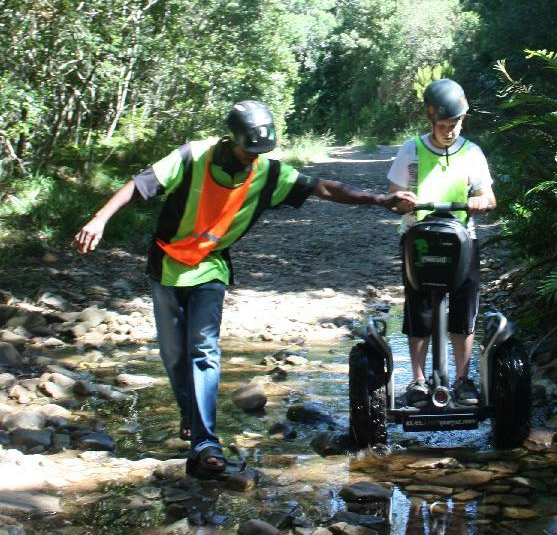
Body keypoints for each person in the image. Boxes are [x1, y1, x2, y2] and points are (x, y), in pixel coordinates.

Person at [72, 100, 415, 480]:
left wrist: (380, 199)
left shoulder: (267, 174)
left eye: (260, 153)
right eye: (247, 151)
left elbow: (324, 188)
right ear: (231, 138)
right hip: (166, 265)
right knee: (173, 354)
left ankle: (205, 443)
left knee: (204, 349)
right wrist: (100, 219)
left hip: (212, 268)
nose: (253, 159)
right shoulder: (192, 157)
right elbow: (139, 185)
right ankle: (191, 416)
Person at [387, 78, 496, 407]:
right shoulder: (411, 149)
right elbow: (393, 194)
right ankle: (418, 382)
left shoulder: (472, 152)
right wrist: (401, 201)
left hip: (461, 238)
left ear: (463, 120)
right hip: (419, 238)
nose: (449, 131)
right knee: (419, 312)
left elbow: (488, 195)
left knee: (463, 310)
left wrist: (480, 201)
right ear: (430, 121)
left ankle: (463, 380)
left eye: (455, 124)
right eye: (443, 125)